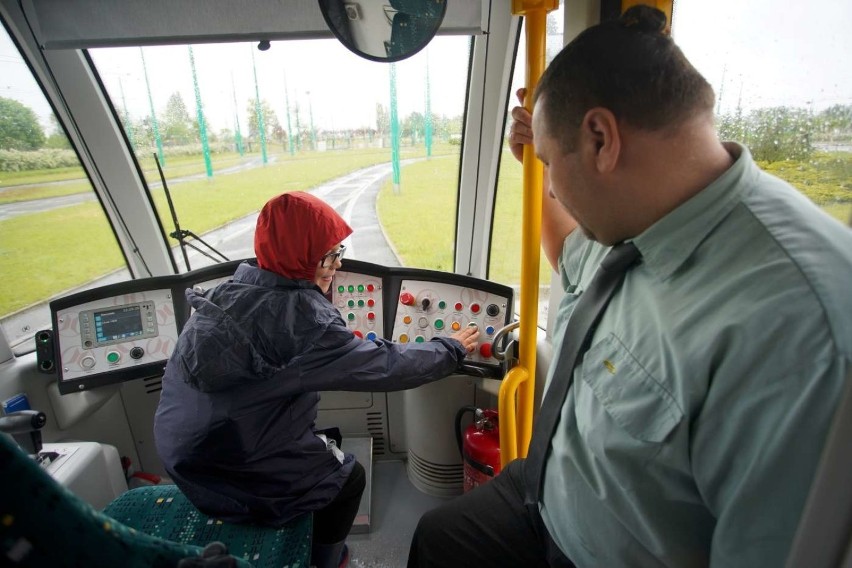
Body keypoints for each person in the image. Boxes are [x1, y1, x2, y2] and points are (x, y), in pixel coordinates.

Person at [408, 5, 852, 567]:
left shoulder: (807, 331)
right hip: (545, 490)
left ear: (600, 138)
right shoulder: (646, 205)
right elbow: (569, 248)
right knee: (438, 540)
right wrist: (538, 155)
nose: (548, 184)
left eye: (549, 164)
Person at [154, 191, 479, 568]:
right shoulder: (303, 323)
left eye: (338, 253)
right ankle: (327, 560)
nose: (336, 266)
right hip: (231, 470)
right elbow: (388, 365)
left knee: (315, 432)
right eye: (328, 257)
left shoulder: (227, 292)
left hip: (184, 457)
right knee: (347, 480)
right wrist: (450, 348)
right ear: (300, 258)